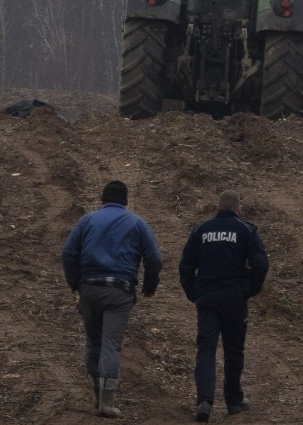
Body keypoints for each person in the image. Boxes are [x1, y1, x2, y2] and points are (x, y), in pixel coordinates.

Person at [62, 180, 162, 418]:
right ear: (125, 201)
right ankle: (108, 402)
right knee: (110, 344)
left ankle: (97, 396)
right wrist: (149, 285)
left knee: (93, 342)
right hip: (119, 291)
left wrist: (75, 282)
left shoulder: (87, 220)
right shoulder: (137, 223)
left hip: (90, 287)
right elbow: (154, 259)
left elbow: (68, 252)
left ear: (103, 199)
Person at [179, 190, 269, 423]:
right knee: (234, 350)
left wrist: (194, 293)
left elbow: (185, 265)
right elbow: (261, 263)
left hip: (207, 299)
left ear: (216, 208)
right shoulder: (246, 230)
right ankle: (233, 400)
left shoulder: (201, 230)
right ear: (238, 210)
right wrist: (250, 289)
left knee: (206, 349)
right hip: (235, 299)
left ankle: (204, 401)